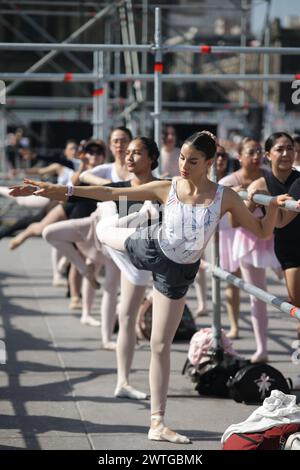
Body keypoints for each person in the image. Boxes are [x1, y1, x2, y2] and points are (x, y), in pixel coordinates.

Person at [9, 131, 292, 444]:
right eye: (182, 157)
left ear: (209, 163)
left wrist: (272, 207)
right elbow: (107, 191)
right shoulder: (166, 185)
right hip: (150, 246)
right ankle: (102, 232)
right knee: (106, 230)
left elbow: (264, 232)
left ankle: (157, 423)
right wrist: (53, 189)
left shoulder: (225, 197)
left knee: (160, 345)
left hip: (179, 274)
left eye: (192, 161)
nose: (184, 165)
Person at [246, 132, 300, 339]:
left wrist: (267, 200)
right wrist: (250, 196)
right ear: (268, 154)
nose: (286, 153)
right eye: (280, 149)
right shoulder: (261, 183)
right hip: (289, 251)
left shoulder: (298, 181)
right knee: (296, 304)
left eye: (290, 148)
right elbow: (238, 218)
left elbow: (282, 220)